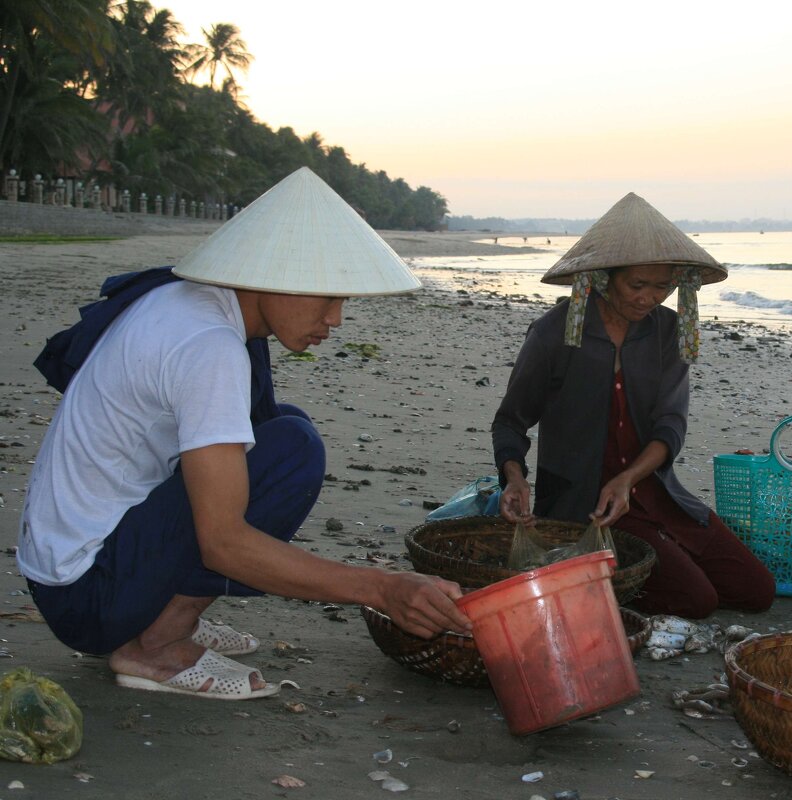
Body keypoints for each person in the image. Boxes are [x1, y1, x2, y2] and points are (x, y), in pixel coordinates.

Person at [19, 167, 470, 701]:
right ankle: (156, 644)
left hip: (68, 565)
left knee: (286, 427)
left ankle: (160, 615)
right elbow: (224, 543)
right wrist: (384, 589)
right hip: (86, 593)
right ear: (265, 274)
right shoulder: (209, 345)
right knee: (293, 453)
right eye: (327, 296)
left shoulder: (192, 301)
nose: (338, 318)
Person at [491, 192, 775, 618]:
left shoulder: (667, 332)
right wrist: (514, 478)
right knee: (697, 602)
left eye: (662, 286)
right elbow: (510, 422)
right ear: (605, 278)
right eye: (637, 285)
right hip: (586, 507)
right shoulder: (553, 334)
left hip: (656, 493)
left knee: (756, 591)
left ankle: (642, 565)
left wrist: (628, 481)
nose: (648, 298)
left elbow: (670, 426)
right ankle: (597, 576)